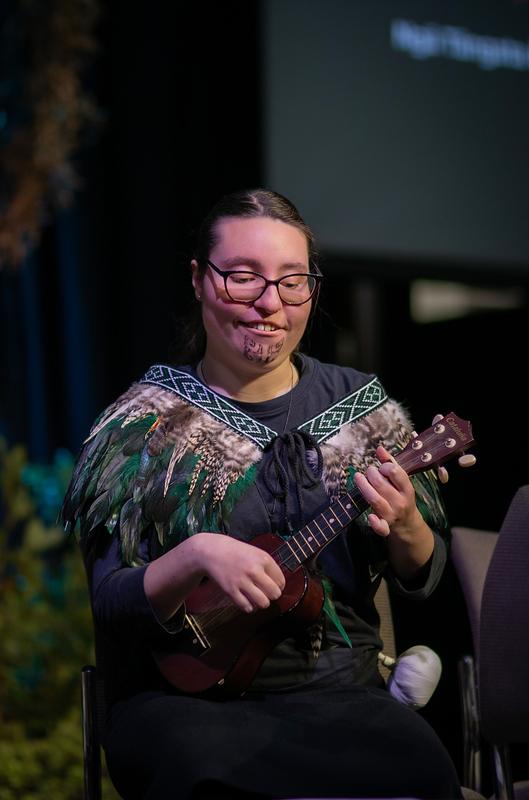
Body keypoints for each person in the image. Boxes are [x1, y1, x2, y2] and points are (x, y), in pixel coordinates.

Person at [62, 188, 462, 800]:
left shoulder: (362, 410)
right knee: (205, 772)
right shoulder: (145, 425)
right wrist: (195, 555)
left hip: (341, 696)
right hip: (183, 705)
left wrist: (406, 521)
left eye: (292, 282)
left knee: (425, 768)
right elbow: (112, 603)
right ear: (199, 279)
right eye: (243, 277)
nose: (270, 303)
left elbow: (421, 575)